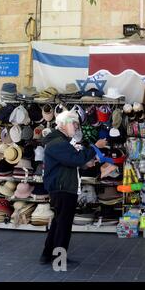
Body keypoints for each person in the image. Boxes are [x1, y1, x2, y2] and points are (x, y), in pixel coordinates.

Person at [40, 110, 108, 265]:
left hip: (62, 186)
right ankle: (58, 259)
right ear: (64, 124)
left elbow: (71, 162)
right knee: (63, 225)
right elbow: (74, 159)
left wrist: (84, 163)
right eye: (74, 124)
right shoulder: (58, 143)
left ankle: (47, 255)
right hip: (63, 188)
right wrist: (95, 147)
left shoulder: (60, 141)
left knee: (59, 223)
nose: (76, 127)